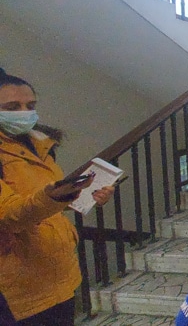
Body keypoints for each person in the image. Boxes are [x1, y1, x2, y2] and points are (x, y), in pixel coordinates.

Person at [0, 68, 114, 325]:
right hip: (19, 287)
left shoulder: (41, 144)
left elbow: (44, 201)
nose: (24, 113)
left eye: (30, 106)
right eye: (12, 107)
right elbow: (7, 214)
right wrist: (53, 197)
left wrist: (84, 195)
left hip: (60, 273)